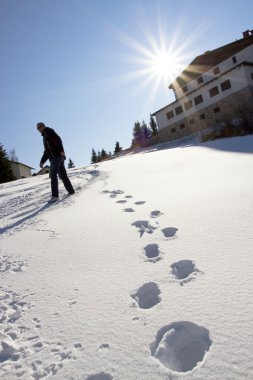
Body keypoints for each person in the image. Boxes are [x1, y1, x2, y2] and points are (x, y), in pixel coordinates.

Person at [37, 122, 75, 203]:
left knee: (53, 175)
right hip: (57, 158)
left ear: (44, 126)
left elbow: (58, 139)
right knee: (63, 176)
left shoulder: (48, 131)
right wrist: (42, 161)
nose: (39, 129)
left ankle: (55, 196)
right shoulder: (44, 136)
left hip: (56, 157)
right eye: (37, 128)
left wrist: (61, 150)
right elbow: (47, 151)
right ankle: (71, 191)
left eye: (40, 126)